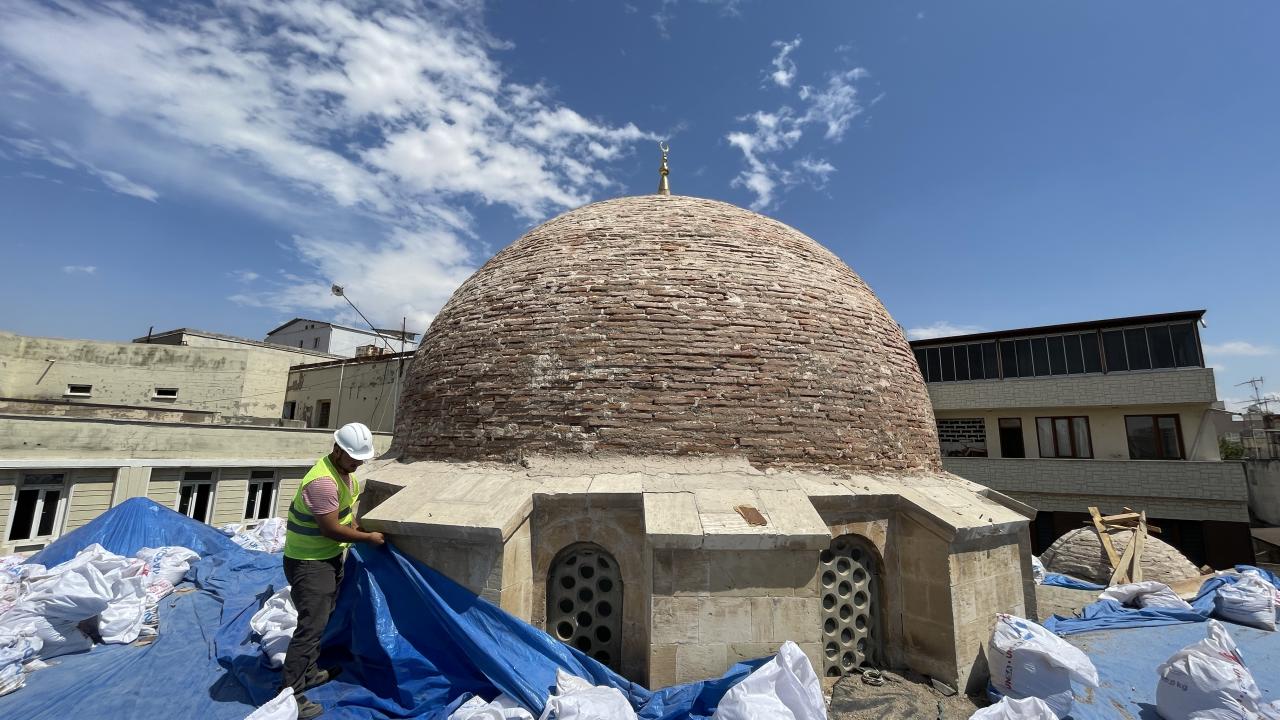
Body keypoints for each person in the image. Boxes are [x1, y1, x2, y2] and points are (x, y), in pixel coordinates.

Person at [281, 422, 385, 719]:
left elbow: (344, 515)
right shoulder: (323, 481)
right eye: (353, 457)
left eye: (361, 459)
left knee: (321, 619)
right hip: (308, 562)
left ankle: (310, 672)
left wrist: (356, 528)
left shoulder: (345, 476)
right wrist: (367, 538)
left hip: (326, 560)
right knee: (310, 627)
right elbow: (330, 529)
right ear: (337, 449)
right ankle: (290, 695)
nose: (357, 463)